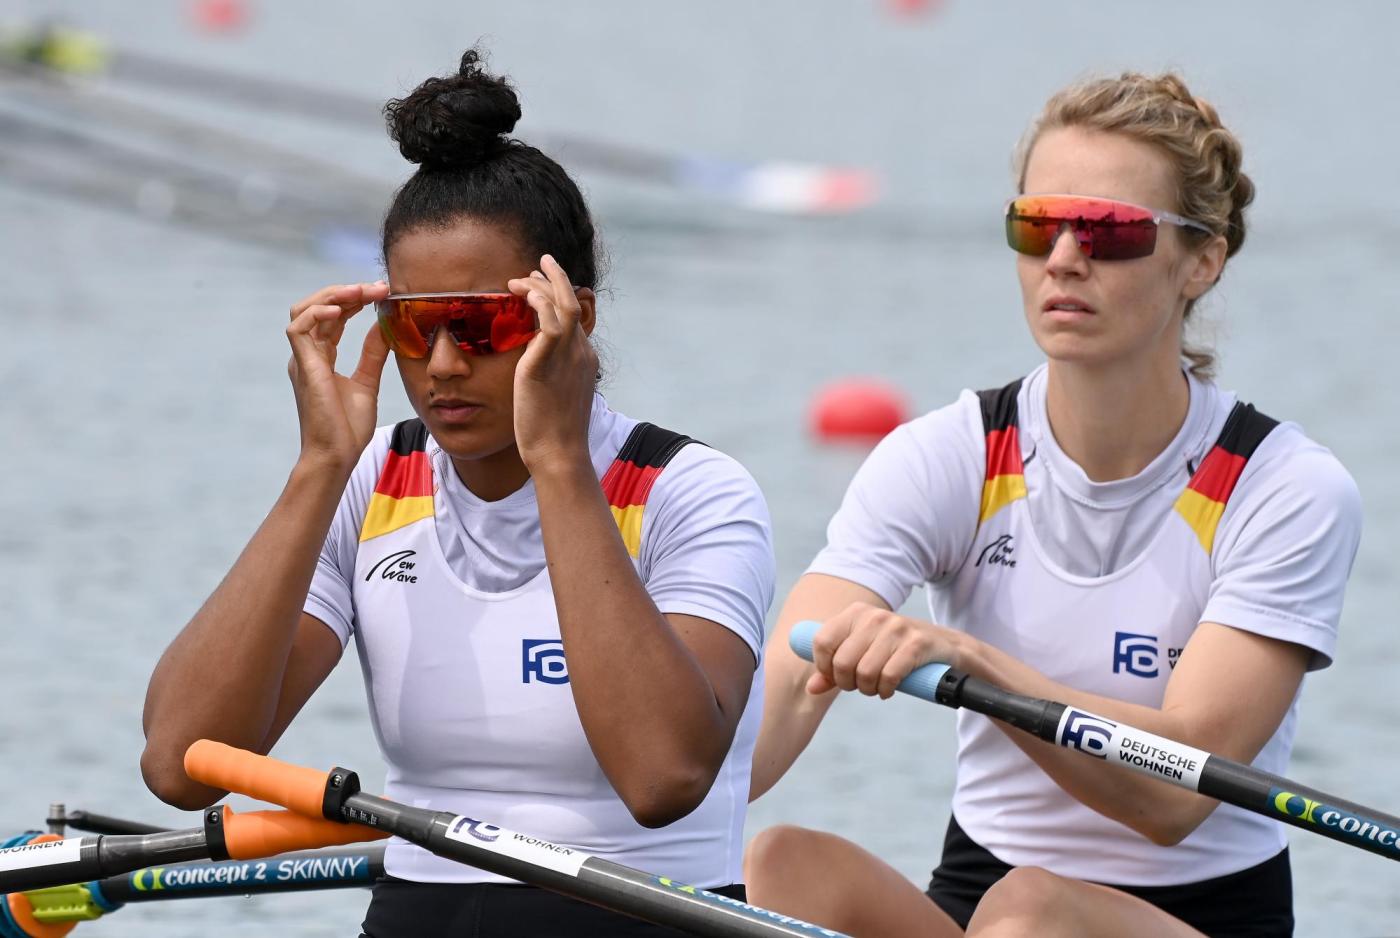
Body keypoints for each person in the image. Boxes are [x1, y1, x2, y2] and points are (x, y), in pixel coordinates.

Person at [140, 50, 774, 937]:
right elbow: (180, 765)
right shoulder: (373, 482)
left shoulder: (691, 493)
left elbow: (662, 776)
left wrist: (559, 463)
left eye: (480, 324)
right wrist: (319, 467)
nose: (441, 365)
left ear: (574, 318)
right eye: (413, 324)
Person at [743, 72, 1362, 938]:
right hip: (981, 898)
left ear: (1203, 260)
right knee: (781, 865)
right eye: (1037, 226)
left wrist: (975, 665)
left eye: (1109, 231)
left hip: (1197, 916)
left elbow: (1171, 797)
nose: (1064, 258)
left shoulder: (1284, 489)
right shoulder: (947, 457)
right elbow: (772, 706)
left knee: (1032, 912)